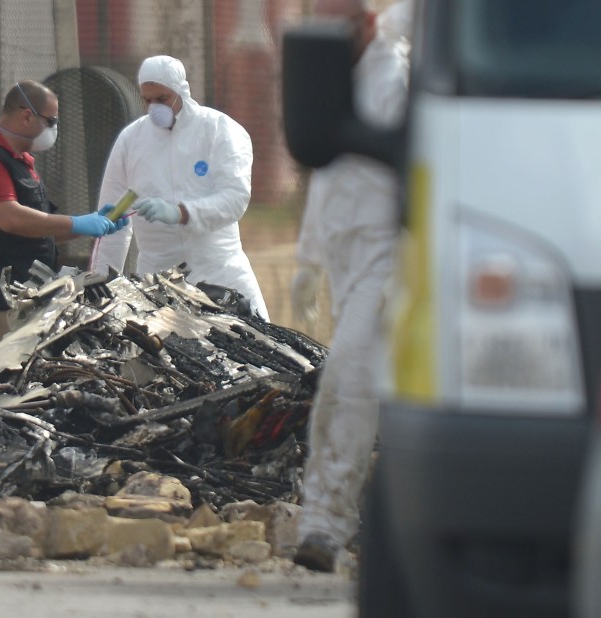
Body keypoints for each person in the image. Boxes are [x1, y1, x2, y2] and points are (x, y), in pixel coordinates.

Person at [290, 0, 411, 572]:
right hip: (345, 256)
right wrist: (309, 260)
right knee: (375, 389)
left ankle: (324, 521)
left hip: (390, 251)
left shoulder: (397, 79)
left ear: (368, 22)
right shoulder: (336, 81)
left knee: (349, 376)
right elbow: (325, 176)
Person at [0, 80, 127, 368]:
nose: (54, 129)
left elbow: (36, 233)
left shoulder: (22, 163)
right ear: (26, 115)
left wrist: (92, 224)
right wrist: (77, 223)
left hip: (27, 298)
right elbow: (9, 218)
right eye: (51, 120)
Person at [89, 55, 270, 321]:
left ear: (181, 91)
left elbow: (235, 199)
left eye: (161, 99)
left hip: (219, 271)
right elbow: (113, 220)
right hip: (157, 279)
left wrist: (181, 213)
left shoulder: (219, 130)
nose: (154, 108)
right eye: (147, 100)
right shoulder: (132, 140)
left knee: (255, 351)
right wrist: (102, 286)